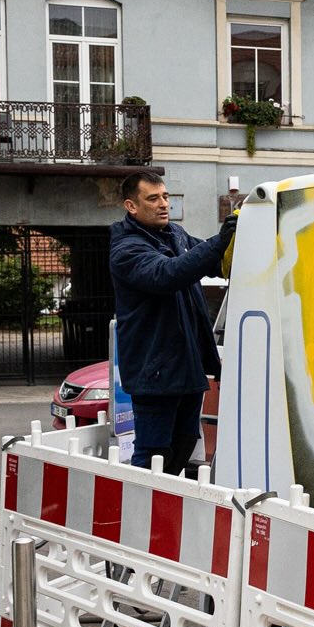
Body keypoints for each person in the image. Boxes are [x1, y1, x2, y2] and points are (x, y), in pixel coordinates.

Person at [108, 170, 236, 472]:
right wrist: (219, 242)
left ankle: (165, 504)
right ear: (132, 206)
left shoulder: (175, 234)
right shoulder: (126, 249)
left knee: (185, 440)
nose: (163, 204)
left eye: (165, 196)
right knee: (153, 452)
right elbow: (168, 274)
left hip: (186, 366)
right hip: (155, 372)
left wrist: (239, 238)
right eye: (153, 198)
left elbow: (212, 263)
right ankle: (140, 512)